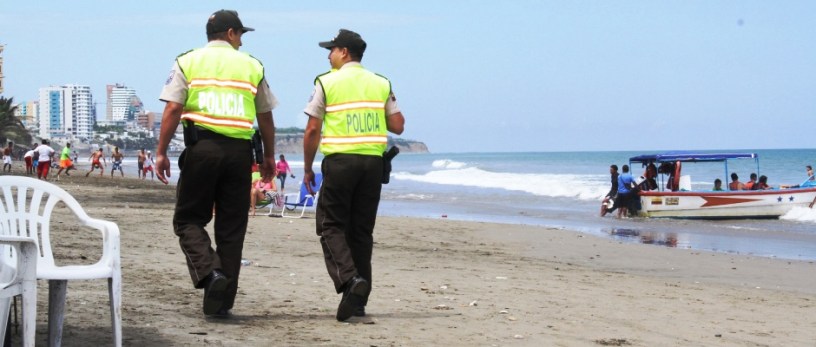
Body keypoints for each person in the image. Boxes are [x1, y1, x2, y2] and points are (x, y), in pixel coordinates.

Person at [155, 9, 277, 318]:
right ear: (231, 33)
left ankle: (211, 274)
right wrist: (268, 157)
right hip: (239, 155)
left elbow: (172, 109)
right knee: (231, 229)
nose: (241, 42)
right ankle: (222, 303)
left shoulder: (188, 61)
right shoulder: (252, 65)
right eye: (240, 35)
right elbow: (265, 117)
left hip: (202, 149)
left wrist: (161, 152)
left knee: (187, 220)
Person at [302, 29, 405, 321]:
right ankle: (358, 302)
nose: (328, 55)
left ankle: (350, 280)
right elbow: (398, 125)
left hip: (341, 162)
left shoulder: (326, 81)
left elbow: (312, 130)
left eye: (331, 49)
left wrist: (308, 167)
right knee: (361, 232)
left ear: (344, 52)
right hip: (372, 165)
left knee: (330, 226)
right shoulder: (381, 83)